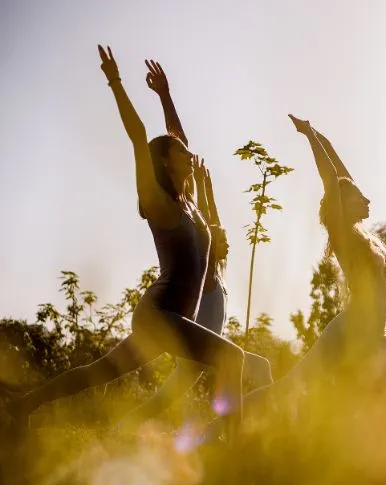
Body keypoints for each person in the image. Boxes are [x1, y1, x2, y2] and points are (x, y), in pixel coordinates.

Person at [10, 46, 245, 443]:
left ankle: (24, 406)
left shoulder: (187, 200)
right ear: (167, 163)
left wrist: (166, 95)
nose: (189, 152)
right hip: (159, 315)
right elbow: (140, 139)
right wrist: (116, 82)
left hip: (170, 318)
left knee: (100, 373)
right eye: (181, 152)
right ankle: (238, 445)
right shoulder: (158, 203)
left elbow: (176, 136)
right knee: (232, 359)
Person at [206, 115, 386, 441]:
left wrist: (317, 132)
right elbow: (332, 179)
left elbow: (340, 173)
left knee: (303, 394)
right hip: (353, 336)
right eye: (359, 197)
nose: (367, 200)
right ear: (343, 204)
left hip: (364, 340)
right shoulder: (344, 235)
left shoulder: (361, 236)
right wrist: (308, 137)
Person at [115, 60, 272, 429]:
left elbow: (178, 144)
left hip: (197, 326)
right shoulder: (187, 222)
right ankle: (235, 442)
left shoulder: (202, 237)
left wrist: (166, 96)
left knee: (175, 391)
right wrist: (165, 98)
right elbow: (175, 143)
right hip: (191, 324)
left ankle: (129, 427)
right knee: (186, 387)